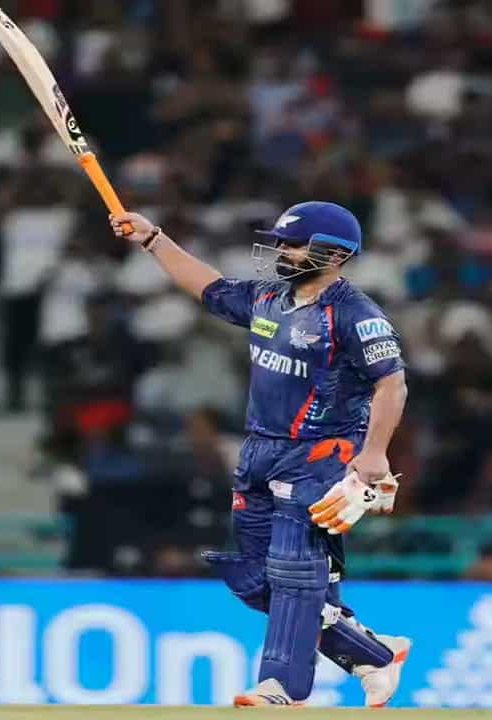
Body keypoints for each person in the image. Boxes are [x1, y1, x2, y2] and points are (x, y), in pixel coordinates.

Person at [109, 201, 411, 707]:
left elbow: (392, 384)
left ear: (334, 254)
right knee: (254, 578)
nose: (282, 251)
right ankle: (371, 653)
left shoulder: (355, 314)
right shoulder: (268, 298)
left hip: (320, 452)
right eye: (281, 243)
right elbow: (208, 286)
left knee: (294, 569)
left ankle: (281, 688)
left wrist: (374, 454)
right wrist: (153, 239)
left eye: (294, 244)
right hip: (258, 450)